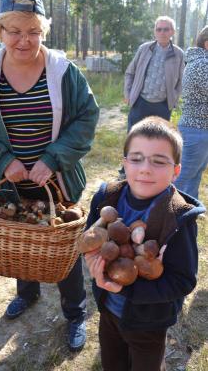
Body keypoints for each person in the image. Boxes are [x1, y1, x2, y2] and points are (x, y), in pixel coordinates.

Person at [0, 0, 99, 351]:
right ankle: (28, 292)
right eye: (15, 30)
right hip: (7, 181)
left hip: (57, 179)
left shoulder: (64, 73)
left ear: (43, 32)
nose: (25, 40)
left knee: (61, 246)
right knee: (21, 243)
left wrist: (52, 159)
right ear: (0, 31)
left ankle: (74, 312)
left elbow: (86, 119)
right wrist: (3, 160)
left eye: (33, 30)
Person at [84, 116, 205, 371]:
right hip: (107, 309)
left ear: (176, 170)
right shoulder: (106, 197)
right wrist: (93, 261)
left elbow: (183, 281)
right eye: (136, 158)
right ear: (124, 163)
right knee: (112, 362)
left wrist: (126, 290)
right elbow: (89, 239)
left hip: (150, 320)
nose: (145, 168)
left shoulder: (178, 219)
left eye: (159, 161)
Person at [124, 16, 184, 132]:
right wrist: (128, 94)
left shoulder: (179, 54)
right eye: (159, 29)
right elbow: (130, 73)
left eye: (166, 29)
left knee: (158, 140)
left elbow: (182, 80)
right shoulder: (144, 49)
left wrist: (174, 97)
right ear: (155, 32)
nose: (162, 32)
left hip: (163, 106)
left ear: (172, 32)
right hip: (140, 102)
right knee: (134, 137)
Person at [174, 25, 208, 200]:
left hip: (200, 128)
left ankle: (188, 206)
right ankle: (167, 211)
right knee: (184, 174)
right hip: (197, 129)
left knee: (195, 173)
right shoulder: (203, 64)